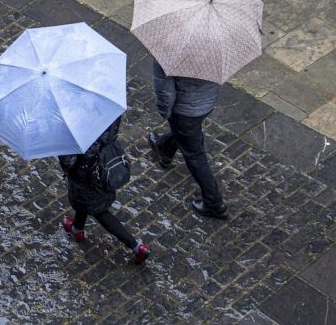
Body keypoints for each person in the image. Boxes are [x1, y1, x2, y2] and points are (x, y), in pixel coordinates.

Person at [59, 117, 150, 264]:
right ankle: (77, 228)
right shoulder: (103, 108)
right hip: (105, 162)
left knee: (98, 210)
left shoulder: (70, 126)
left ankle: (136, 246)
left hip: (85, 176)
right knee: (86, 202)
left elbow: (69, 162)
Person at [147, 59, 228, 219]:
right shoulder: (218, 45)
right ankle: (164, 148)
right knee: (185, 133)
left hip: (184, 110)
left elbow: (165, 91)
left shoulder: (168, 52)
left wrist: (165, 112)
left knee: (194, 154)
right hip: (207, 103)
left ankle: (214, 203)